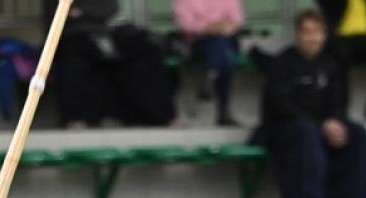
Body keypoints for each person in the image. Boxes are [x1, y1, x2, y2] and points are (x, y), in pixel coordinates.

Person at [257, 9, 366, 198]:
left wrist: (336, 122)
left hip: (321, 126)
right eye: (308, 32)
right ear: (298, 35)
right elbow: (281, 105)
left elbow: (339, 101)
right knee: (306, 132)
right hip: (285, 129)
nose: (313, 38)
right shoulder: (282, 64)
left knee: (357, 133)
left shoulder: (330, 65)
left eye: (318, 32)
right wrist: (321, 125)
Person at [46, 0, 177, 129]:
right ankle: (76, 118)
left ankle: (159, 116)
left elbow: (109, 8)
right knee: (74, 58)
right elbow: (58, 14)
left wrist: (84, 12)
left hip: (108, 31)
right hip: (74, 33)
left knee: (146, 52)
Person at [173, 0, 246, 126]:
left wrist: (223, 28)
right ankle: (223, 113)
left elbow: (237, 19)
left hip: (227, 38)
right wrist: (209, 28)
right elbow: (186, 24)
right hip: (198, 41)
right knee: (225, 56)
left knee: (221, 45)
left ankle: (211, 74)